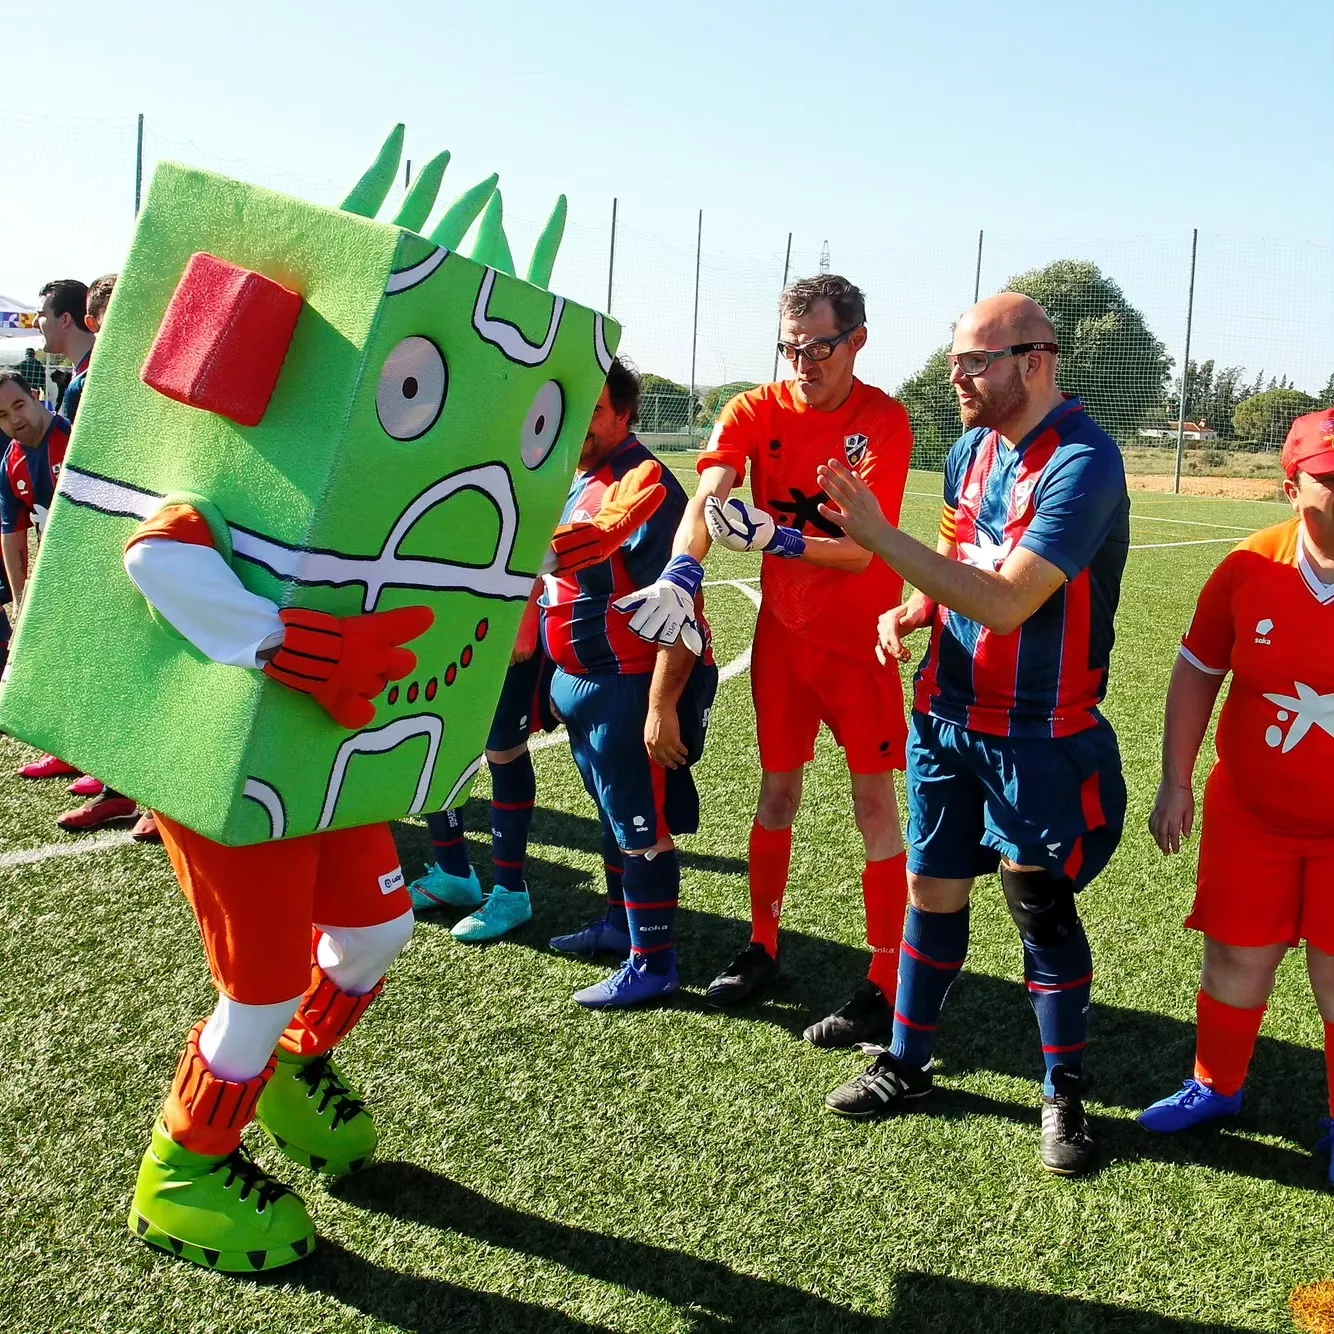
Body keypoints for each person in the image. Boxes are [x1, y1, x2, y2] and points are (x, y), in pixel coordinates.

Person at [813, 293, 1129, 1176]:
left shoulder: (1084, 461)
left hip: (1036, 730)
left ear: (1035, 360)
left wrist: (878, 538)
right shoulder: (967, 451)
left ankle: (1062, 1092)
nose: (956, 377)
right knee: (931, 890)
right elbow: (964, 557)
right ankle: (908, 1062)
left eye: (974, 362)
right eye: (954, 360)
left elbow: (1005, 597)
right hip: (944, 717)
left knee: (1038, 907)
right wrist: (912, 609)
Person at [617, 274, 914, 1047]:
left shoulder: (883, 421)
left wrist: (778, 539)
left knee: (874, 808)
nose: (801, 363)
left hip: (860, 645)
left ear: (857, 340)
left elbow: (861, 551)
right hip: (786, 640)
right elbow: (709, 495)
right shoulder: (753, 407)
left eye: (817, 346)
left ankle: (885, 977)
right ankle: (763, 946)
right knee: (775, 795)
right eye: (789, 347)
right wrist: (684, 567)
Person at [1138, 408, 1334, 1175]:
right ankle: (1216, 1086)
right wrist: (1175, 778)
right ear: (1292, 487)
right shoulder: (1248, 568)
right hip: (1251, 817)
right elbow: (1197, 670)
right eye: (1329, 478)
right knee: (1235, 960)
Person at [544, 356, 718, 1008]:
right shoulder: (576, 475)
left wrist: (660, 708)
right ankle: (621, 927)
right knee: (614, 814)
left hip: (627, 684)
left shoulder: (644, 482)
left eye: (590, 412)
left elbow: (683, 612)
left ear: (623, 411)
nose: (578, 426)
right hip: (581, 682)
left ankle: (655, 962)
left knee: (642, 824)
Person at [407, 590, 560, 942]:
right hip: (442, 617)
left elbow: (532, 537)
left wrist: (525, 614)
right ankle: (453, 874)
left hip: (502, 616)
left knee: (503, 752)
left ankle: (510, 893)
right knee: (437, 740)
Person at [38, 279, 93, 424]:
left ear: (65, 319)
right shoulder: (84, 372)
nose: (34, 323)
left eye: (42, 315)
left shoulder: (93, 380)